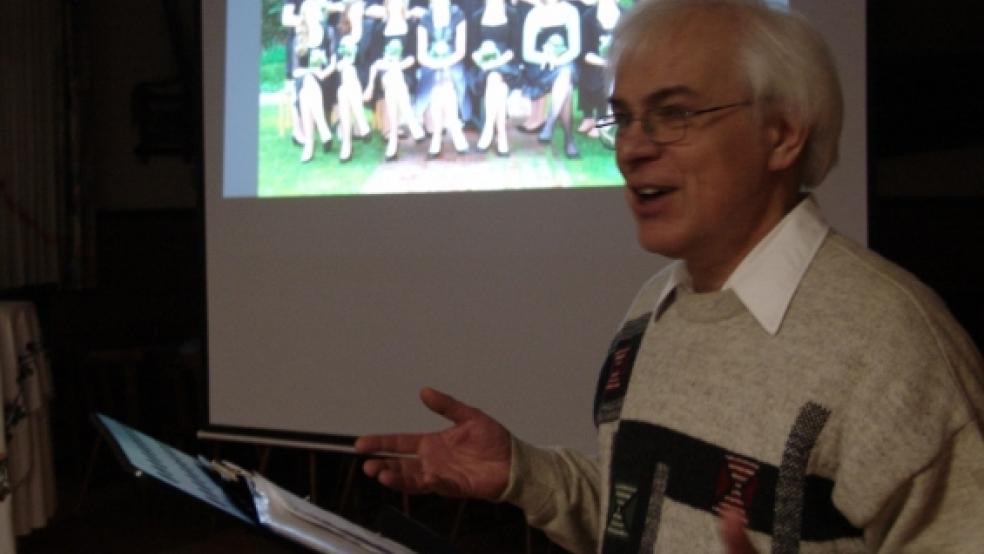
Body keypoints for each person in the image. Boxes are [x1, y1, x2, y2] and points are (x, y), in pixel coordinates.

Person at [356, 0, 984, 552]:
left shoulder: (891, 344)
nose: (632, 148)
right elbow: (640, 515)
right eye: (624, 119)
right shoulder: (654, 308)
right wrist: (524, 473)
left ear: (783, 133)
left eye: (673, 114)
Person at [520, 0, 582, 158]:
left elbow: (575, 48)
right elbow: (527, 52)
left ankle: (551, 123)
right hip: (541, 68)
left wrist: (559, 61)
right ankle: (567, 138)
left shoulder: (571, 11)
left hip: (564, 63)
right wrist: (547, 58)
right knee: (565, 85)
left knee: (565, 74)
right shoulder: (534, 14)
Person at [415, 0, 471, 158]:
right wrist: (436, 64)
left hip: (453, 63)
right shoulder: (425, 18)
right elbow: (421, 55)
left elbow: (461, 50)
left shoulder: (458, 15)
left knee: (445, 81)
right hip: (430, 65)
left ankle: (438, 135)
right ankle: (454, 129)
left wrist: (445, 64)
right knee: (438, 81)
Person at [467, 0, 522, 156]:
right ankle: (501, 134)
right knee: (497, 84)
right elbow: (472, 48)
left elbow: (514, 48)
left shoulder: (512, 14)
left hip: (507, 64)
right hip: (482, 66)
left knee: (496, 78)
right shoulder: (477, 16)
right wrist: (483, 62)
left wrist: (497, 62)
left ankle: (488, 129)